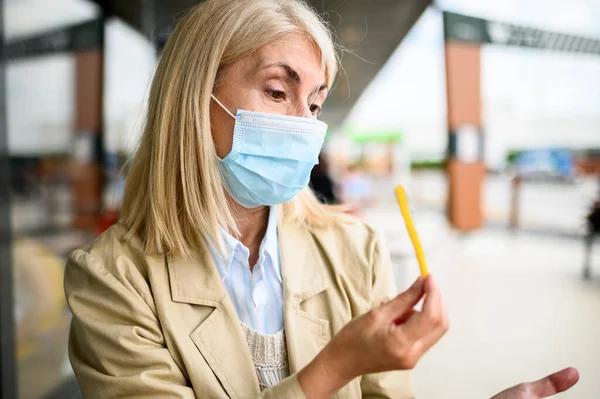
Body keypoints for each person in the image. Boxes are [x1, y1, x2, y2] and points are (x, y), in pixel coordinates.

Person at [63, 0, 579, 397]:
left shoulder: (355, 248)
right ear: (195, 96)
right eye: (275, 91)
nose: (305, 126)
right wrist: (335, 367)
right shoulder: (113, 278)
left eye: (314, 102)